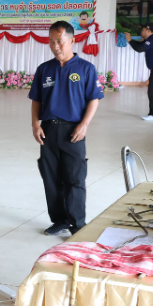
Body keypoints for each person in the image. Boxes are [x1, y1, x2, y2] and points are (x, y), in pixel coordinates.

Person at [30, 20, 103, 237]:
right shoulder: (44, 69)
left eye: (60, 41)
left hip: (74, 131)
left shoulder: (86, 68)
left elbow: (94, 99)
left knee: (75, 178)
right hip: (48, 130)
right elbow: (36, 100)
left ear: (72, 40)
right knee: (51, 178)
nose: (55, 46)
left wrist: (84, 124)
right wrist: (35, 124)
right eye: (51, 41)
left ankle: (77, 224)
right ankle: (59, 220)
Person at [125, 23, 153, 121]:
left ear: (148, 31)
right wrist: (131, 40)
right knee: (152, 91)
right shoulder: (151, 39)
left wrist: (129, 40)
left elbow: (140, 49)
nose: (141, 32)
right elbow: (140, 45)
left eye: (143, 30)